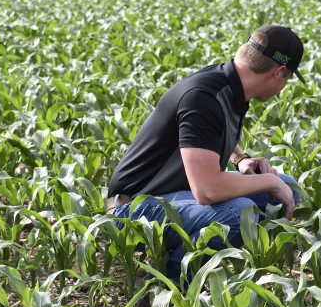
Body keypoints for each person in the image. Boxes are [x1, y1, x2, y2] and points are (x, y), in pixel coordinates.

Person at [107, 24, 306, 285]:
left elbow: (209, 134)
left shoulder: (230, 83)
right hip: (132, 210)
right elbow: (208, 190)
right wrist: (269, 181)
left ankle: (202, 262)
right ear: (279, 72)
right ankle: (169, 288)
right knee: (237, 214)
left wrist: (240, 158)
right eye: (289, 77)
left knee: (288, 186)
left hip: (173, 196)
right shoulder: (203, 97)